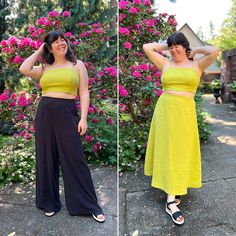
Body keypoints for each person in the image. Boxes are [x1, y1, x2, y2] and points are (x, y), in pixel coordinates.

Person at [19, 30, 105, 223]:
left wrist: (83, 118)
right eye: (55, 42)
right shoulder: (45, 67)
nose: (61, 44)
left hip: (67, 113)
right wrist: (40, 48)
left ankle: (88, 205)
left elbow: (84, 92)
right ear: (50, 47)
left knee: (74, 158)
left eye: (63, 40)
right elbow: (24, 68)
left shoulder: (77, 65)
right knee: (46, 157)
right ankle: (49, 202)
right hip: (45, 114)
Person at [143, 32, 219, 225]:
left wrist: (197, 50)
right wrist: (165, 45)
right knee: (170, 151)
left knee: (181, 151)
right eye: (172, 46)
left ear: (185, 47)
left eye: (178, 46)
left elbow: (215, 50)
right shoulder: (166, 64)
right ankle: (170, 201)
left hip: (185, 114)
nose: (174, 49)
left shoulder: (197, 65)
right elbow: (146, 47)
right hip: (166, 112)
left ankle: (174, 189)